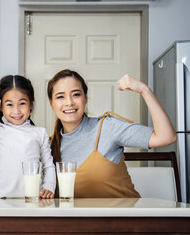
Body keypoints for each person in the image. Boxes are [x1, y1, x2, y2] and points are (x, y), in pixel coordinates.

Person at [47, 69, 177, 198]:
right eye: (60, 96)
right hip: (83, 219)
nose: (69, 102)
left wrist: (144, 90)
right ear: (51, 103)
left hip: (126, 217)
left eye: (76, 94)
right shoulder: (48, 146)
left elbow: (166, 137)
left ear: (85, 98)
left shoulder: (108, 127)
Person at [0, 75, 56, 199]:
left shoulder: (40, 133)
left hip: (32, 201)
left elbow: (48, 165)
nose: (16, 111)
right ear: (1, 107)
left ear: (31, 104)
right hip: (1, 202)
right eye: (9, 104)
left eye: (22, 103)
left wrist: (49, 186)